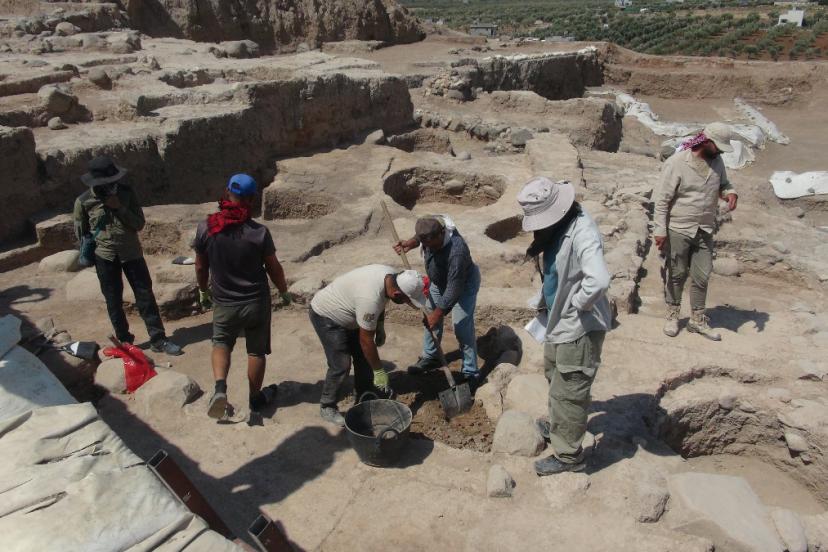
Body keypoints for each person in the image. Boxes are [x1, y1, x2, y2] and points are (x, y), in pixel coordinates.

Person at [518, 176, 612, 476]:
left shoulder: (583, 231)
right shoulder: (561, 225)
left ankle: (570, 456)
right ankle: (561, 426)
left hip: (579, 328)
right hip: (559, 322)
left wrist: (578, 304)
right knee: (554, 375)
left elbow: (598, 280)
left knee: (570, 389)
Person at [193, 173, 292, 419]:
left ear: (227, 192)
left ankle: (220, 389)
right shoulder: (259, 233)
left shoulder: (207, 228)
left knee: (221, 343)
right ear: (251, 199)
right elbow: (274, 268)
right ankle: (255, 399)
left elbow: (200, 266)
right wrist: (283, 290)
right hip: (255, 302)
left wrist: (203, 290)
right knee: (256, 352)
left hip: (224, 302)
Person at [73, 155, 182, 355]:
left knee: (145, 295)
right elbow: (82, 233)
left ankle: (158, 339)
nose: (109, 185)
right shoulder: (84, 202)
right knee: (113, 300)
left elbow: (139, 224)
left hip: (131, 253)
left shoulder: (126, 193)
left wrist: (119, 208)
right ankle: (124, 341)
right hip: (105, 256)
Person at [309, 266, 428, 426]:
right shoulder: (370, 299)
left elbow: (381, 303)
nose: (407, 303)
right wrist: (379, 371)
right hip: (326, 315)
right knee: (341, 364)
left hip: (351, 311)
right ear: (397, 294)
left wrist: (379, 325)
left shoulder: (392, 277)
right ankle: (327, 406)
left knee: (364, 358)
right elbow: (366, 341)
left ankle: (364, 392)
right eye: (406, 300)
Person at [654, 122, 738, 341]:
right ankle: (673, 315)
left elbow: (724, 184)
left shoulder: (717, 161)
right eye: (718, 146)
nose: (720, 152)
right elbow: (661, 200)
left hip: (705, 228)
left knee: (702, 275)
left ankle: (697, 320)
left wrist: (730, 193)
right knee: (677, 273)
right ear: (706, 141)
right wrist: (660, 230)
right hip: (679, 228)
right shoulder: (676, 163)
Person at [393, 215, 482, 383]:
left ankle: (471, 372)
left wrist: (438, 313)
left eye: (434, 246)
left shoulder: (457, 251)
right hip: (438, 281)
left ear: (442, 233)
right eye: (427, 246)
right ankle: (431, 357)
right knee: (430, 319)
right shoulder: (432, 225)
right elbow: (421, 235)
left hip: (463, 285)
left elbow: (454, 288)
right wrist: (411, 243)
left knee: (462, 327)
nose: (431, 250)